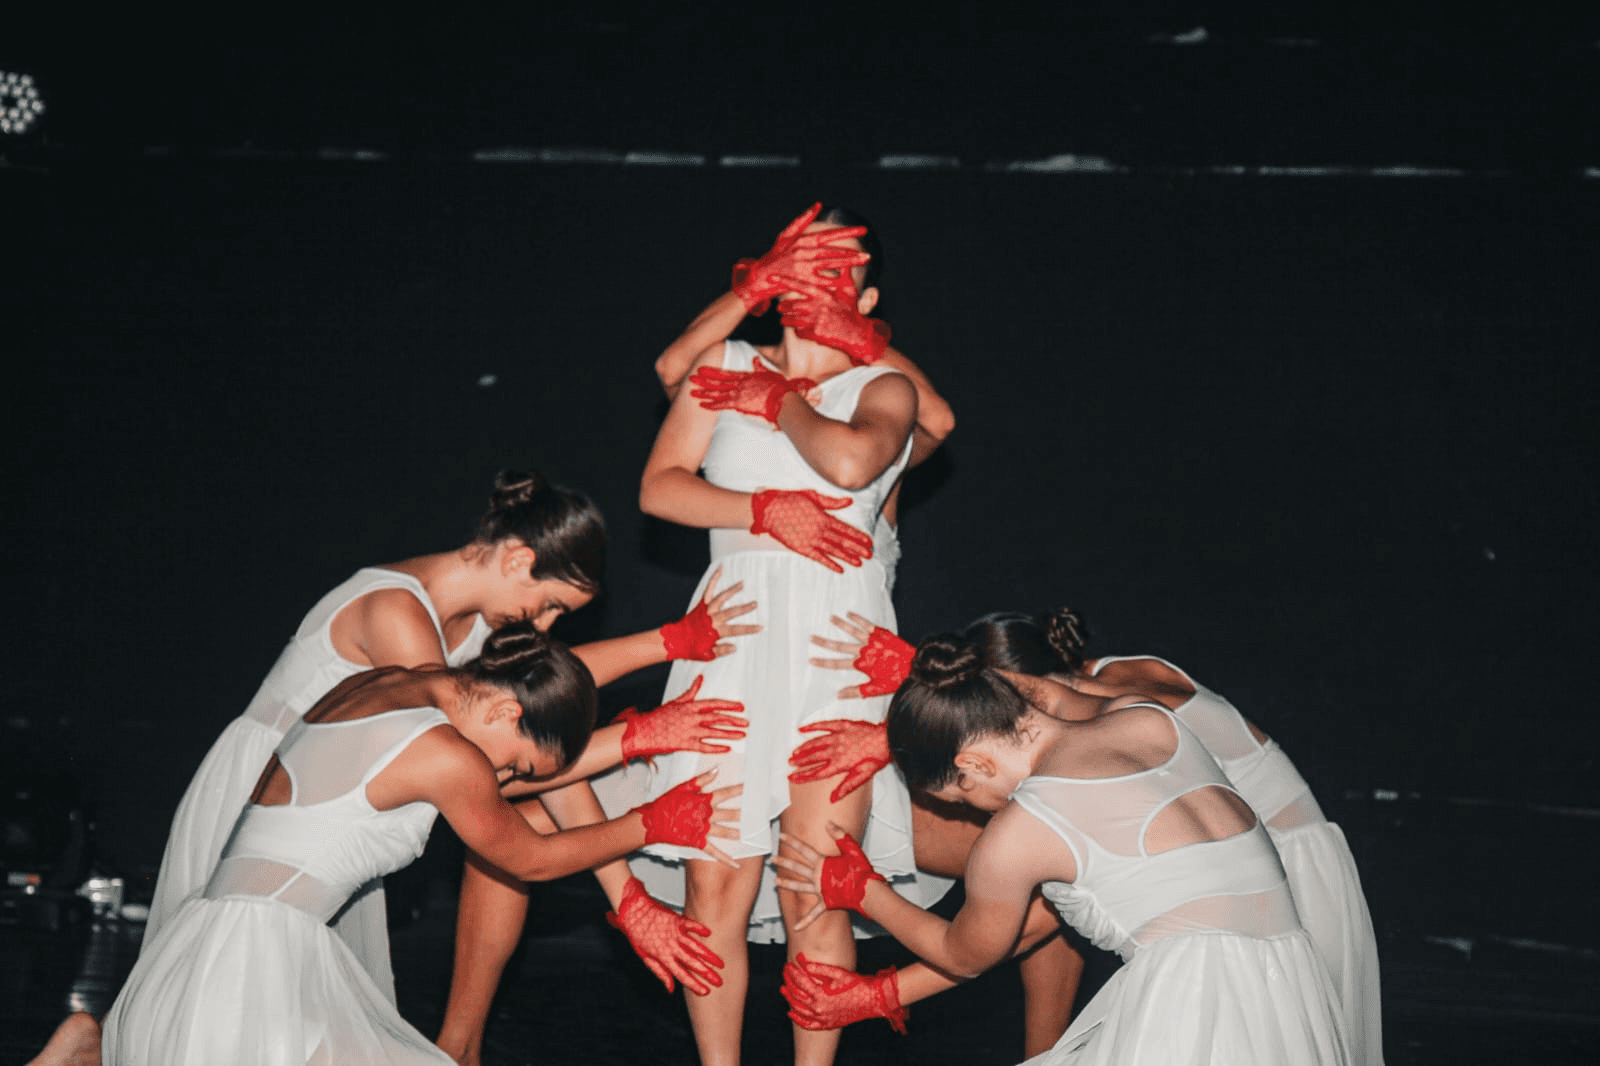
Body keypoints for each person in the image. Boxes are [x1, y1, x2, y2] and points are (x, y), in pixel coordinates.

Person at [141, 469, 757, 1019]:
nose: (542, 627)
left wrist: (672, 641)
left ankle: (460, 1043)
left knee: (262, 1009)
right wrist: (636, 739)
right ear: (518, 562)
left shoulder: (473, 631)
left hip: (337, 801)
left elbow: (537, 720)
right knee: (218, 1003)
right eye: (548, 606)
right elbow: (498, 768)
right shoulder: (396, 615)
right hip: (274, 786)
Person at [594, 202, 952, 1066]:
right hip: (735, 643)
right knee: (715, 879)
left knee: (814, 886)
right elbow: (659, 489)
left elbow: (849, 464)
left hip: (836, 654)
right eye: (804, 265)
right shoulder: (722, 367)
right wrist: (761, 510)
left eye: (839, 272)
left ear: (868, 302)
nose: (814, 283)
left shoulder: (886, 388)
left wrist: (778, 396)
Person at [101, 622, 741, 1066]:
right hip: (251, 973)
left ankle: (85, 1047)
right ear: (505, 714)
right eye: (520, 765)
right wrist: (650, 824)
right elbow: (529, 858)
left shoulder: (389, 684)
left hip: (202, 952)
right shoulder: (445, 758)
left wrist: (662, 653)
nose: (510, 782)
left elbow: (541, 684)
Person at [792, 608, 1383, 1064]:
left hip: (1198, 993)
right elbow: (1049, 697)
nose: (974, 812)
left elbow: (963, 955)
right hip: (1293, 976)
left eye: (960, 797)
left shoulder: (1021, 833)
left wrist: (862, 890)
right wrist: (934, 688)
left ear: (972, 766)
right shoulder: (1146, 719)